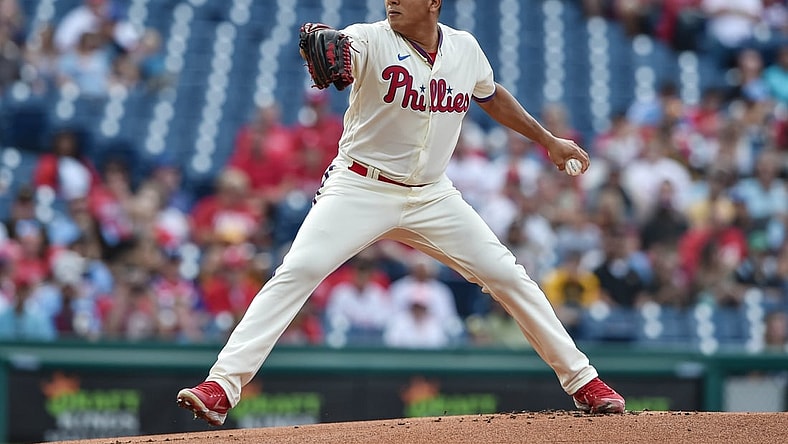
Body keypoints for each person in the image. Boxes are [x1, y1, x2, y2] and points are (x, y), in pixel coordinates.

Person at [177, 0, 625, 426]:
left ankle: (584, 381)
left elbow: (490, 95)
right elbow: (345, 51)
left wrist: (547, 139)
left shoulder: (465, 48)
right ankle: (222, 386)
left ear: (433, 2)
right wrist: (341, 55)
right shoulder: (370, 39)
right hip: (360, 186)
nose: (391, 2)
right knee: (298, 270)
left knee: (507, 275)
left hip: (433, 195)